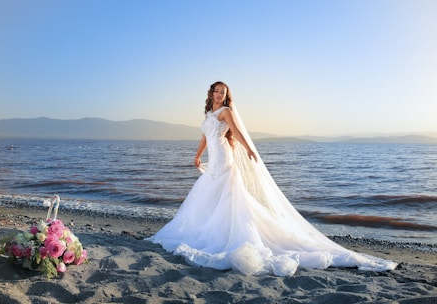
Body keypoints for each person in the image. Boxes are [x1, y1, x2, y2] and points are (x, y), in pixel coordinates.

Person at [146, 81, 397, 276]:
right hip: (214, 159)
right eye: (216, 91)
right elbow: (204, 137)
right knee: (209, 194)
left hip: (225, 158)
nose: (219, 95)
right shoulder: (209, 114)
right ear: (211, 93)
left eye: (223, 92)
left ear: (226, 95)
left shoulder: (225, 112)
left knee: (230, 197)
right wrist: (198, 155)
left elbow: (237, 132)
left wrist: (249, 149)